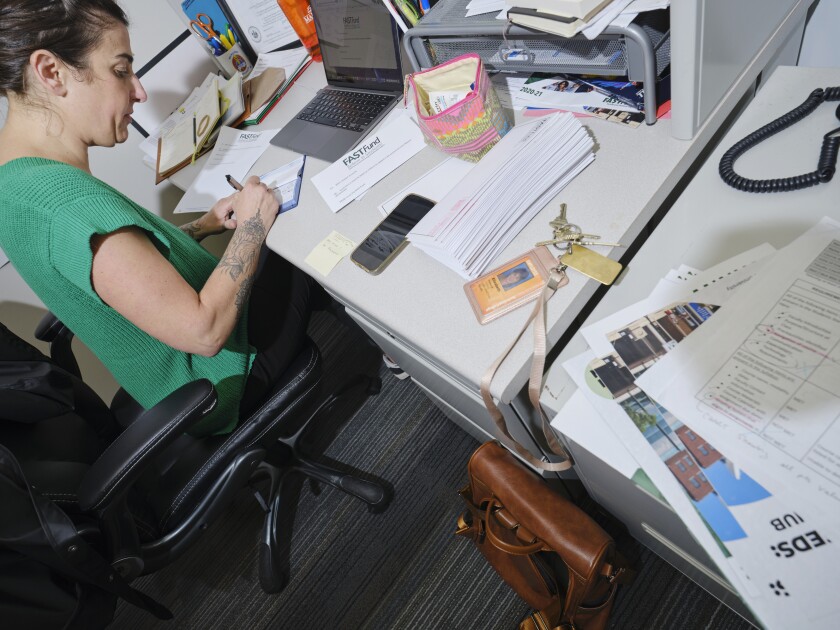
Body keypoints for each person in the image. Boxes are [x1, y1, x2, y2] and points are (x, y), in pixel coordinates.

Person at [0, 0, 328, 436]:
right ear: (51, 72)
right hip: (220, 379)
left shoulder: (16, 181)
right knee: (306, 228)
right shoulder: (64, 206)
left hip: (173, 382)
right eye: (120, 71)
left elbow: (120, 270)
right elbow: (204, 332)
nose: (139, 91)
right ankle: (402, 355)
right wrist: (251, 227)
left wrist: (202, 227)